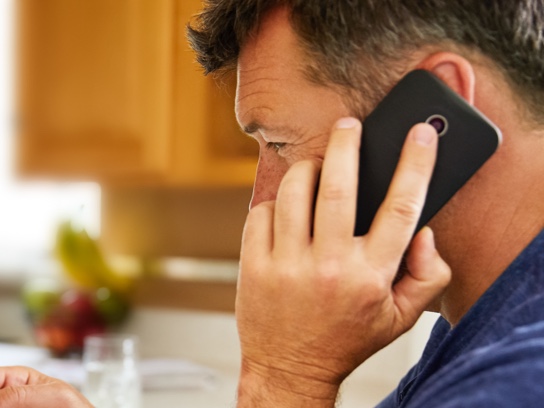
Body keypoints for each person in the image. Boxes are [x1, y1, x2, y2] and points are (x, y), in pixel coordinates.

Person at [2, 0, 544, 406]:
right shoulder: (482, 325)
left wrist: (285, 378)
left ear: (433, 117)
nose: (262, 198)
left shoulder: (518, 378)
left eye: (279, 143)